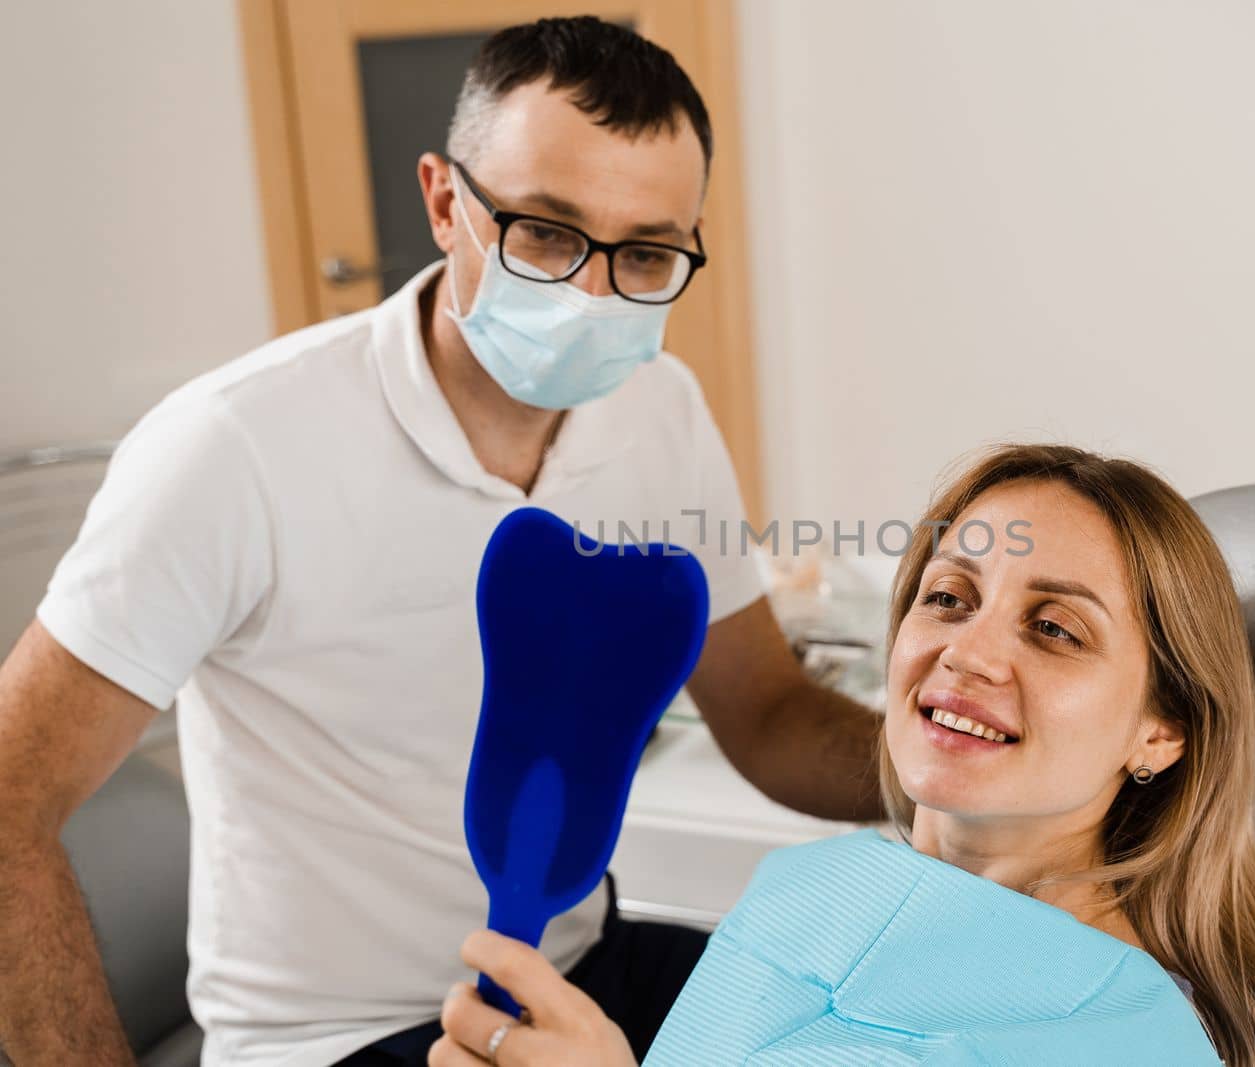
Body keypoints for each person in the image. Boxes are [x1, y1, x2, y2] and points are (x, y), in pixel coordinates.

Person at [0, 19, 883, 1067]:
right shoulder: (234, 448)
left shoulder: (660, 408)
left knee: (872, 1021)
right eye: (547, 232)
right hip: (333, 1036)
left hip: (568, 960)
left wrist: (978, 774)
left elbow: (770, 713)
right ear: (442, 203)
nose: (590, 296)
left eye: (645, 253)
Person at [430, 444, 1255, 1067]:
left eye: (1055, 628)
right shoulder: (816, 885)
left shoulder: (1115, 1034)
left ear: (1165, 729)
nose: (968, 651)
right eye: (948, 597)